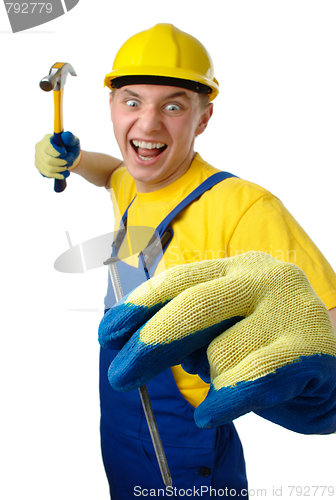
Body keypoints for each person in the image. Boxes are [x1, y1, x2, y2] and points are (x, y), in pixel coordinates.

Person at [35, 23, 336, 499]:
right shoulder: (133, 181)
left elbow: (325, 316)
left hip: (187, 441)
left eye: (173, 106)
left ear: (203, 117)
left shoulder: (243, 206)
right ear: (112, 108)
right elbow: (112, 171)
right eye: (132, 102)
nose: (149, 125)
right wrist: (71, 159)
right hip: (120, 422)